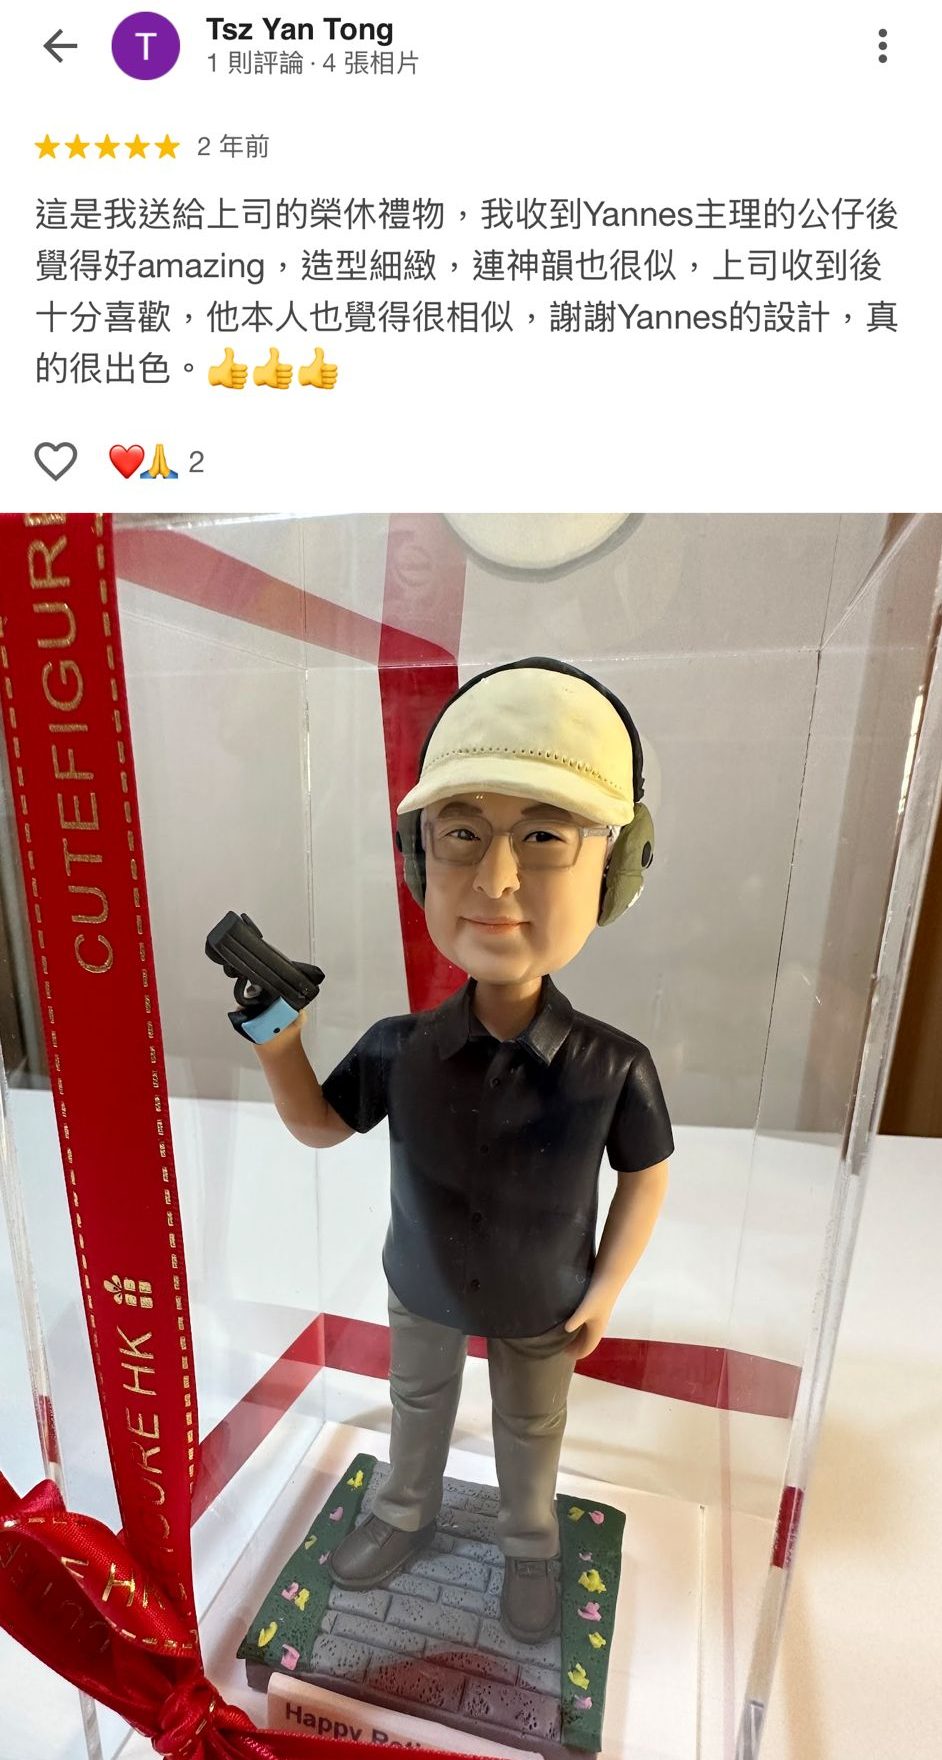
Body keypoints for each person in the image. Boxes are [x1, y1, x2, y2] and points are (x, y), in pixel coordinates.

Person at [233, 658, 672, 1644]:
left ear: (618, 869)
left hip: (544, 1295)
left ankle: (530, 1546)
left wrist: (605, 1288)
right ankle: (403, 1512)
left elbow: (646, 1173)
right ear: (418, 858)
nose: (497, 878)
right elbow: (321, 1124)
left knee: (532, 1429)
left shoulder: (613, 1066)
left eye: (546, 837)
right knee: (415, 1404)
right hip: (423, 1279)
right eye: (463, 833)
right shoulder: (401, 1047)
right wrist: (278, 1045)